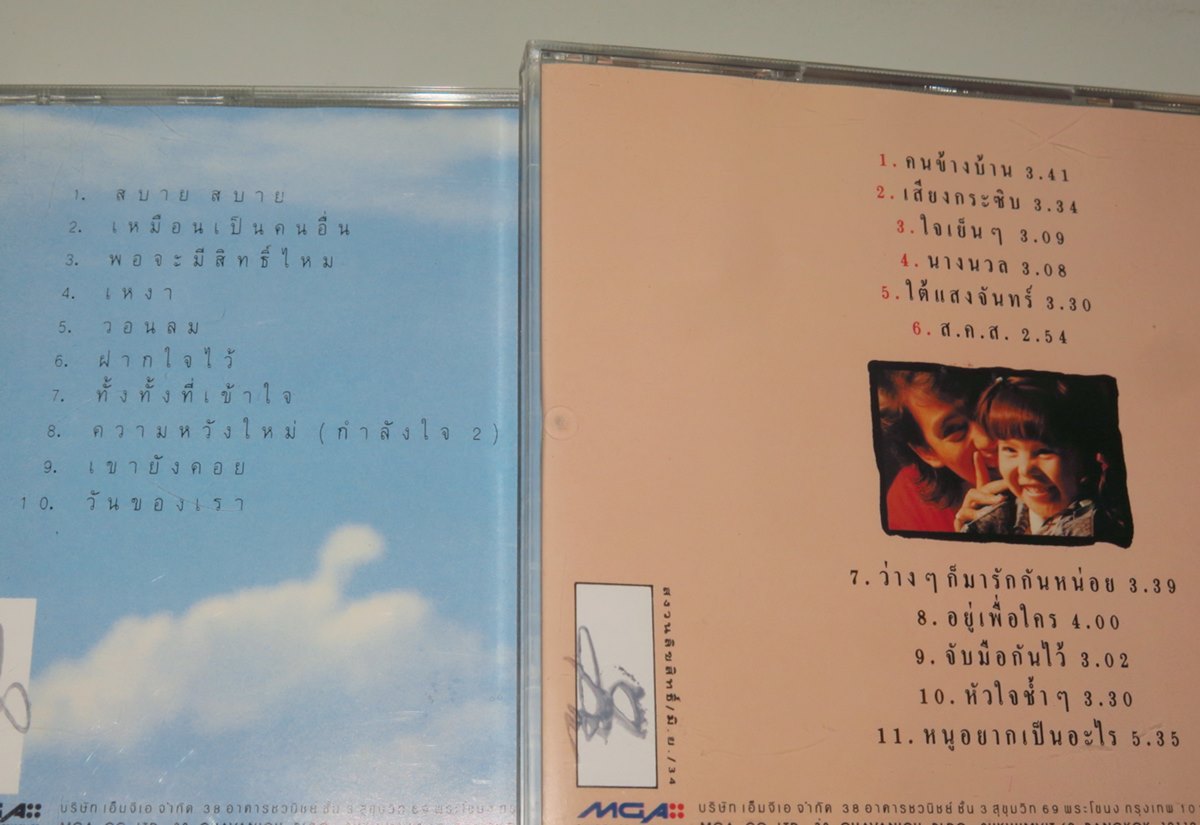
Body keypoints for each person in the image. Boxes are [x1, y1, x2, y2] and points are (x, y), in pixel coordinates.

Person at [957, 374, 1131, 544]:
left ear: (1084, 455)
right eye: (1010, 449)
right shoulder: (994, 519)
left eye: (1044, 451)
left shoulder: (1099, 531)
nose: (1025, 469)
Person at [876, 365, 997, 532]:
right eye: (954, 429)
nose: (986, 440)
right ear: (927, 452)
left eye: (987, 408)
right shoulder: (907, 507)